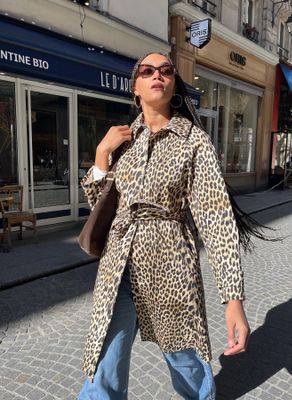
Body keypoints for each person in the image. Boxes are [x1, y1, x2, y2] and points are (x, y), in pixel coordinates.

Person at [78, 53, 250, 400]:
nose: (158, 74)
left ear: (173, 86)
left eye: (167, 70)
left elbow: (216, 218)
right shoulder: (124, 142)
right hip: (119, 269)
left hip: (170, 265)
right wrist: (101, 156)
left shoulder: (194, 142)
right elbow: (103, 210)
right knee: (103, 362)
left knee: (184, 360)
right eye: (148, 70)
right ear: (136, 87)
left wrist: (233, 300)